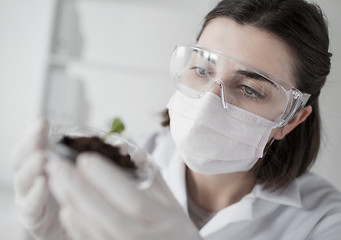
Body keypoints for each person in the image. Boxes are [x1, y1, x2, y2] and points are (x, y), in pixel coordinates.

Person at [11, 0, 341, 239]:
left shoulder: (324, 221)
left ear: (292, 119)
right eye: (201, 69)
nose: (209, 101)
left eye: (250, 90)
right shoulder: (119, 160)